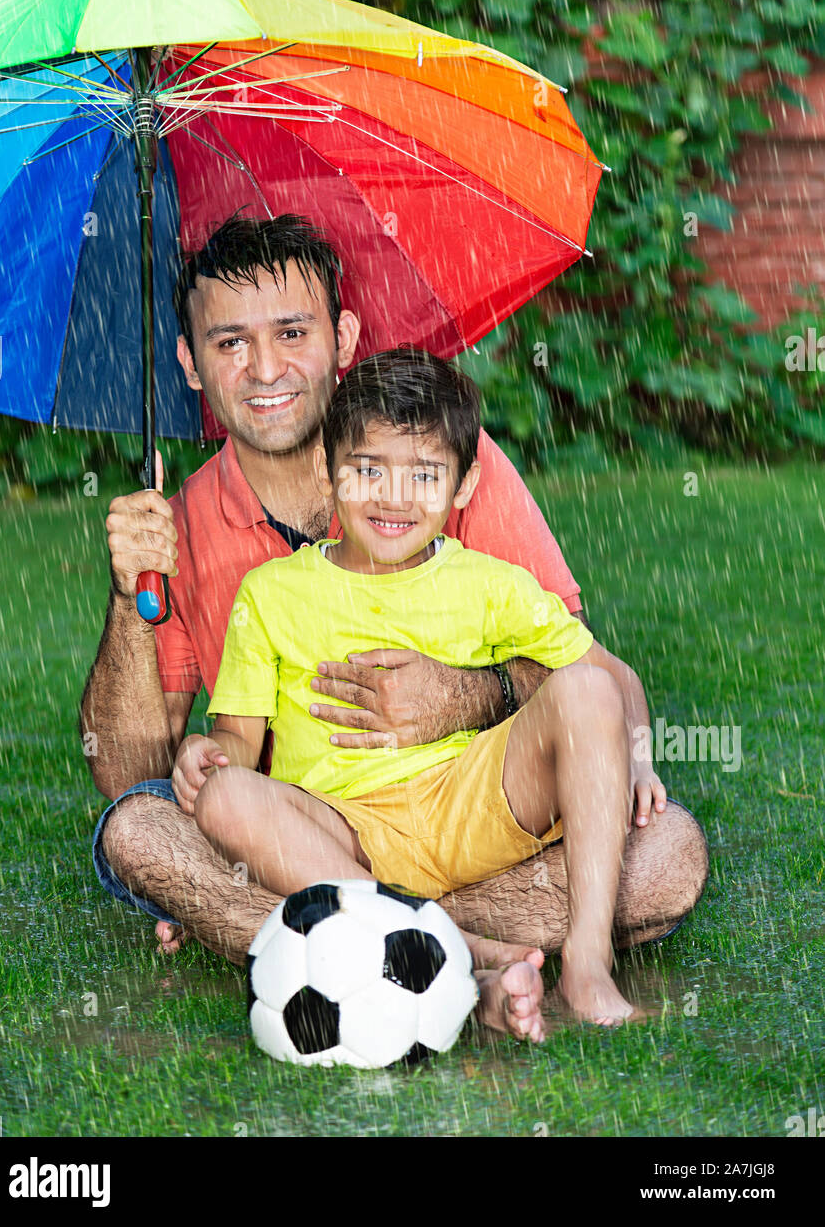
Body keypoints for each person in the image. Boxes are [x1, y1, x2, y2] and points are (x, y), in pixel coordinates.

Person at [82, 211, 707, 987]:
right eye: (229, 342)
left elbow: (586, 688)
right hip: (318, 826)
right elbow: (129, 771)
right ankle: (446, 946)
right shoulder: (180, 529)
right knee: (137, 833)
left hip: (478, 814)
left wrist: (464, 696)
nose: (265, 369)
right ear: (189, 362)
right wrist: (125, 600)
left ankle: (332, 936)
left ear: (342, 341)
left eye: (291, 333)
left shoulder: (439, 462)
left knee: (667, 856)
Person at [188, 346, 655, 1033]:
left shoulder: (491, 586)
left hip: (471, 805)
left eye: (425, 474)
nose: (394, 497)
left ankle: (587, 962)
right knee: (225, 797)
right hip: (342, 829)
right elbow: (238, 739)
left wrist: (637, 758)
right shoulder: (272, 594)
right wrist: (210, 753)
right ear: (326, 470)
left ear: (465, 484)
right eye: (368, 469)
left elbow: (617, 681)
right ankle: (464, 955)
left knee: (583, 689)